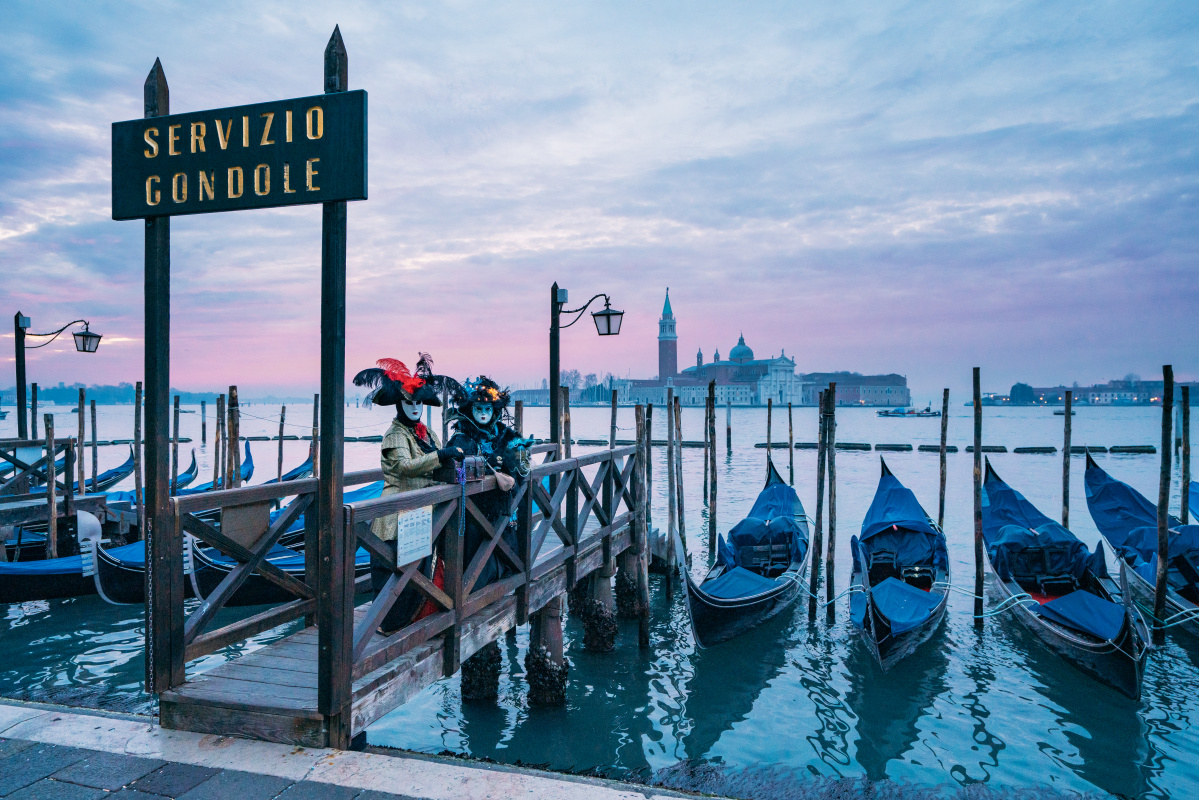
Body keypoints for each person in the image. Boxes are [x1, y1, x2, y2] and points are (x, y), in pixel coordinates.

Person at [353, 355, 463, 633]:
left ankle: (422, 618)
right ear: (399, 404)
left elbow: (440, 464)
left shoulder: (428, 434)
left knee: (426, 569)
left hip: (427, 512)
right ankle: (391, 623)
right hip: (397, 513)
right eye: (409, 403)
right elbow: (404, 468)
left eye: (418, 403)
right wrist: (440, 456)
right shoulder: (395, 435)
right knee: (398, 572)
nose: (414, 408)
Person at [446, 377, 534, 589]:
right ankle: (471, 588)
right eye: (478, 408)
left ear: (494, 409)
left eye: (487, 408)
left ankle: (503, 578)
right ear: (470, 409)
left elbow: (523, 467)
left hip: (502, 511)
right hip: (474, 510)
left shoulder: (505, 433)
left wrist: (516, 458)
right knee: (476, 561)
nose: (483, 413)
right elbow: (455, 470)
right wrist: (487, 464)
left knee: (504, 551)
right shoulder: (462, 436)